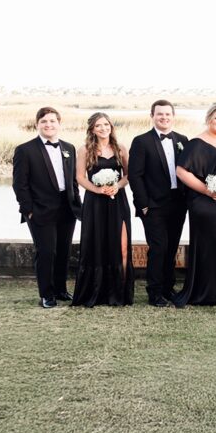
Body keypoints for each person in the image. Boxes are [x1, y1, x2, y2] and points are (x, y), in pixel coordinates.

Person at [12, 106, 83, 308]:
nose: (48, 125)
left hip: (67, 209)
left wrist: (76, 203)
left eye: (52, 121)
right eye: (44, 121)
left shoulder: (68, 148)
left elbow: (72, 181)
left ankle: (60, 290)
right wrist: (29, 210)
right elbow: (19, 184)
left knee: (63, 251)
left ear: (59, 124)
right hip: (39, 210)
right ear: (38, 125)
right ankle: (46, 294)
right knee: (46, 252)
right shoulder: (25, 150)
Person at [173, 104, 216, 307]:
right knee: (210, 243)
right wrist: (207, 190)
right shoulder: (197, 143)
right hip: (204, 201)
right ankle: (204, 292)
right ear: (209, 119)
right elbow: (181, 171)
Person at [128, 100, 188, 307]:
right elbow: (135, 176)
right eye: (159, 114)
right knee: (158, 247)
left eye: (167, 114)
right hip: (153, 206)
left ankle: (168, 288)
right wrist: (143, 204)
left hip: (178, 203)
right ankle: (154, 292)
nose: (164, 118)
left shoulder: (182, 140)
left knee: (172, 248)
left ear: (173, 116)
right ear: (152, 115)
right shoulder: (141, 141)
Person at [72, 112, 134, 307]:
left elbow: (129, 175)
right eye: (98, 125)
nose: (103, 128)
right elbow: (80, 178)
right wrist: (98, 189)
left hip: (118, 202)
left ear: (111, 126)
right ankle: (96, 290)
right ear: (92, 129)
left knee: (122, 246)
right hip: (95, 203)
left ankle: (121, 292)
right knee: (96, 245)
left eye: (106, 124)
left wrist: (118, 185)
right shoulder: (84, 150)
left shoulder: (120, 148)